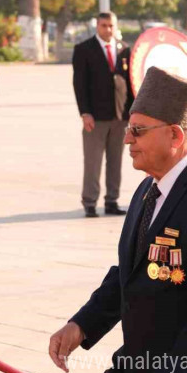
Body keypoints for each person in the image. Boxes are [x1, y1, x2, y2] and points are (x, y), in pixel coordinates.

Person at [48, 67, 187, 373]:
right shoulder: (147, 190)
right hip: (139, 367)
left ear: (175, 135)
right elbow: (128, 275)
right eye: (129, 128)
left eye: (138, 130)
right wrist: (82, 325)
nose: (127, 138)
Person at [73, 12, 129, 218]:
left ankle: (112, 201)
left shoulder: (125, 49)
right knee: (93, 162)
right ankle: (89, 202)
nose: (108, 30)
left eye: (111, 26)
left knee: (116, 161)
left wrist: (131, 113)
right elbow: (79, 84)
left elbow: (130, 84)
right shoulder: (83, 50)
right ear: (97, 26)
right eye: (104, 25)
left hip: (120, 116)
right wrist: (85, 113)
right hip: (95, 117)